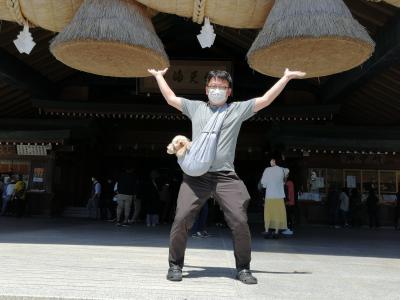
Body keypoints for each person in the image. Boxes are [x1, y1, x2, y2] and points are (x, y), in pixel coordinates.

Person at [148, 67, 305, 284]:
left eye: (221, 87)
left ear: (229, 91)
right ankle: (175, 264)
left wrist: (286, 77)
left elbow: (266, 99)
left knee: (240, 220)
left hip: (226, 176)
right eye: (212, 86)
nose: (216, 90)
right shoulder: (195, 108)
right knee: (182, 217)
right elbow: (171, 98)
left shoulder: (237, 110)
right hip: (197, 177)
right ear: (206, 89)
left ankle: (243, 268)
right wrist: (158, 76)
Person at [260, 157, 289, 239]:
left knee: (268, 213)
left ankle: (266, 230)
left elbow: (263, 183)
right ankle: (276, 232)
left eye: (272, 160)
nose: (271, 162)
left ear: (274, 161)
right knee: (277, 214)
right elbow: (287, 171)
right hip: (279, 196)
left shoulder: (267, 170)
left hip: (269, 195)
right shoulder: (282, 170)